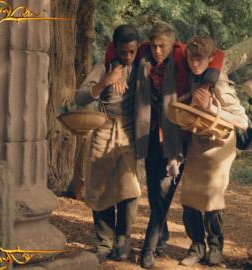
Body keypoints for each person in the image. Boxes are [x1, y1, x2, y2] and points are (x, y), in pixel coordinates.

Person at [131, 22, 224, 269]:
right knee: (154, 194)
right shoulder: (143, 53)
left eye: (162, 45)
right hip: (149, 134)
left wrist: (207, 83)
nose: (158, 50)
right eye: (154, 45)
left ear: (173, 44)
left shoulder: (182, 54)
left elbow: (218, 56)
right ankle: (161, 239)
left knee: (163, 195)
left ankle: (148, 249)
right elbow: (114, 49)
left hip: (175, 139)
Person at [168, 35, 248, 266]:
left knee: (211, 197)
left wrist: (211, 107)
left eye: (200, 60)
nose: (195, 64)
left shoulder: (219, 82)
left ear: (210, 59)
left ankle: (216, 248)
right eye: (192, 59)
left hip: (220, 146)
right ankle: (196, 246)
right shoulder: (192, 77)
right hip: (198, 141)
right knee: (189, 195)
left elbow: (242, 121)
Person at [75, 24, 141, 263]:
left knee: (129, 190)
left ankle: (122, 239)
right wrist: (105, 81)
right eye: (124, 52)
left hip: (129, 133)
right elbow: (80, 97)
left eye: (133, 51)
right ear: (114, 48)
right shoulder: (102, 67)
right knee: (100, 187)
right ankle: (104, 241)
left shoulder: (140, 68)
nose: (128, 56)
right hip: (103, 129)